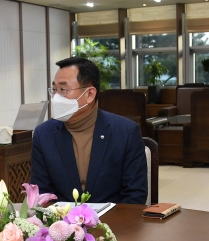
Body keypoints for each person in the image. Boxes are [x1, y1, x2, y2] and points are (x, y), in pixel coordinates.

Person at [31, 57, 147, 204]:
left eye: (63, 89)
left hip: (113, 223)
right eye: (54, 90)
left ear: (90, 94)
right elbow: (41, 194)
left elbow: (135, 194)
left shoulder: (126, 132)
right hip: (61, 223)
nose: (56, 97)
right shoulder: (43, 134)